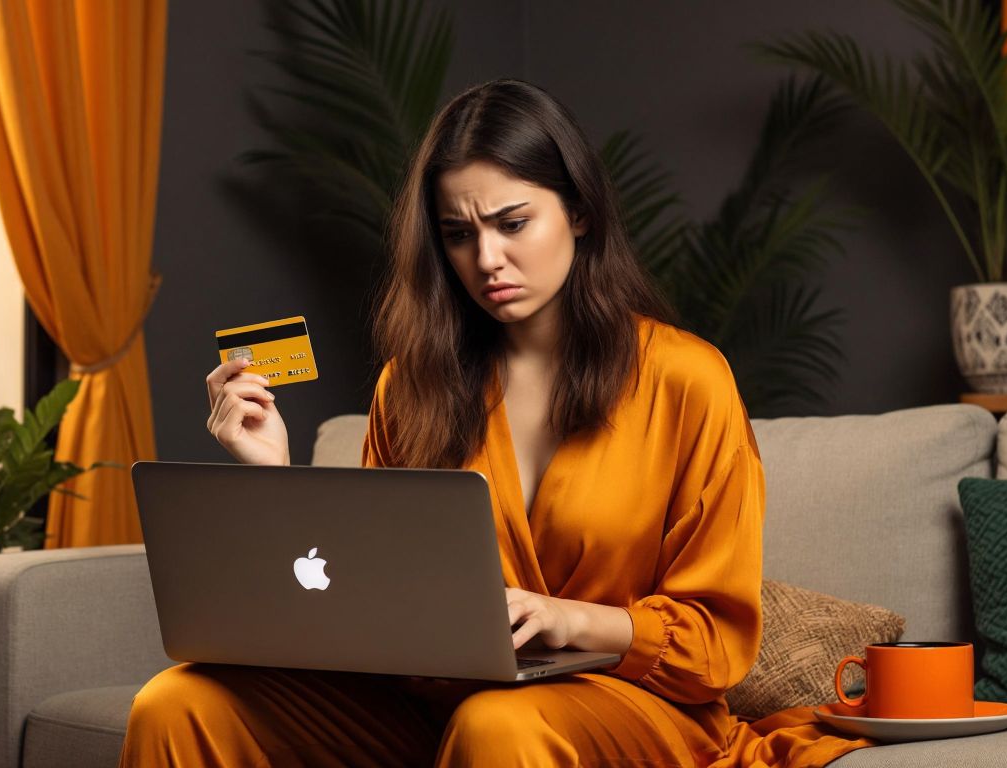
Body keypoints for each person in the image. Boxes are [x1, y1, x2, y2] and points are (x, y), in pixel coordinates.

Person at [120, 79, 874, 767]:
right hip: (435, 705)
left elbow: (717, 645)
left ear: (578, 210)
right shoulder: (410, 385)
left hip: (636, 709)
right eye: (457, 233)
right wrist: (273, 483)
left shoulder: (687, 379)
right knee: (177, 704)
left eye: (513, 222)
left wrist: (567, 620)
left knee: (499, 725)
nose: (487, 259)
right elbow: (363, 601)